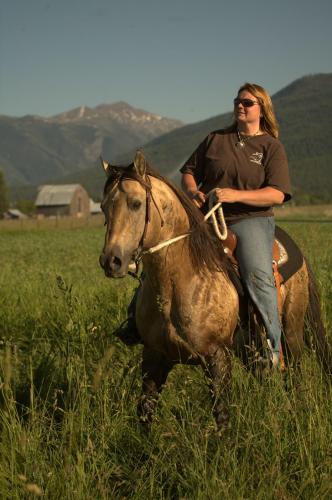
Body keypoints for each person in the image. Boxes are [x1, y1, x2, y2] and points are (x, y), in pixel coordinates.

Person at [180, 82, 292, 367]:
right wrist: (194, 192)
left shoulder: (271, 147)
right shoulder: (215, 139)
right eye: (237, 101)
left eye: (248, 102)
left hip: (250, 219)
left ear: (262, 109)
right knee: (168, 253)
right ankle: (136, 322)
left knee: (257, 273)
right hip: (208, 216)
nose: (240, 106)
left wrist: (236, 195)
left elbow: (277, 193)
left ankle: (272, 347)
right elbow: (189, 172)